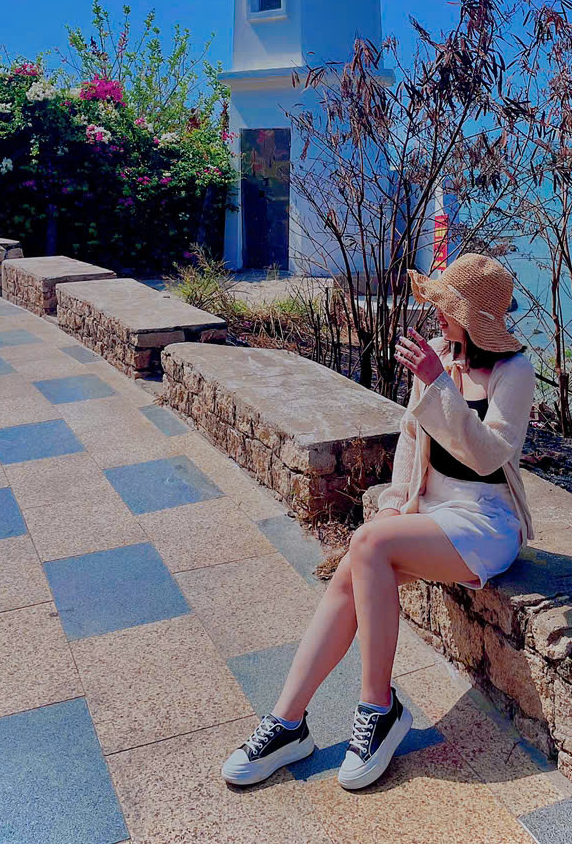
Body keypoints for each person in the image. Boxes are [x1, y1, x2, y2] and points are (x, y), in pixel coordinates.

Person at [221, 253, 536, 792]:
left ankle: (377, 707)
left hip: (485, 522)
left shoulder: (514, 372)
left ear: (475, 319)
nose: (436, 313)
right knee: (354, 568)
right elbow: (411, 439)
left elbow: (488, 456)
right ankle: (287, 722)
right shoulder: (438, 354)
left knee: (364, 547)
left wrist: (438, 385)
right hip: (430, 512)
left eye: (447, 306)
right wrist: (393, 503)